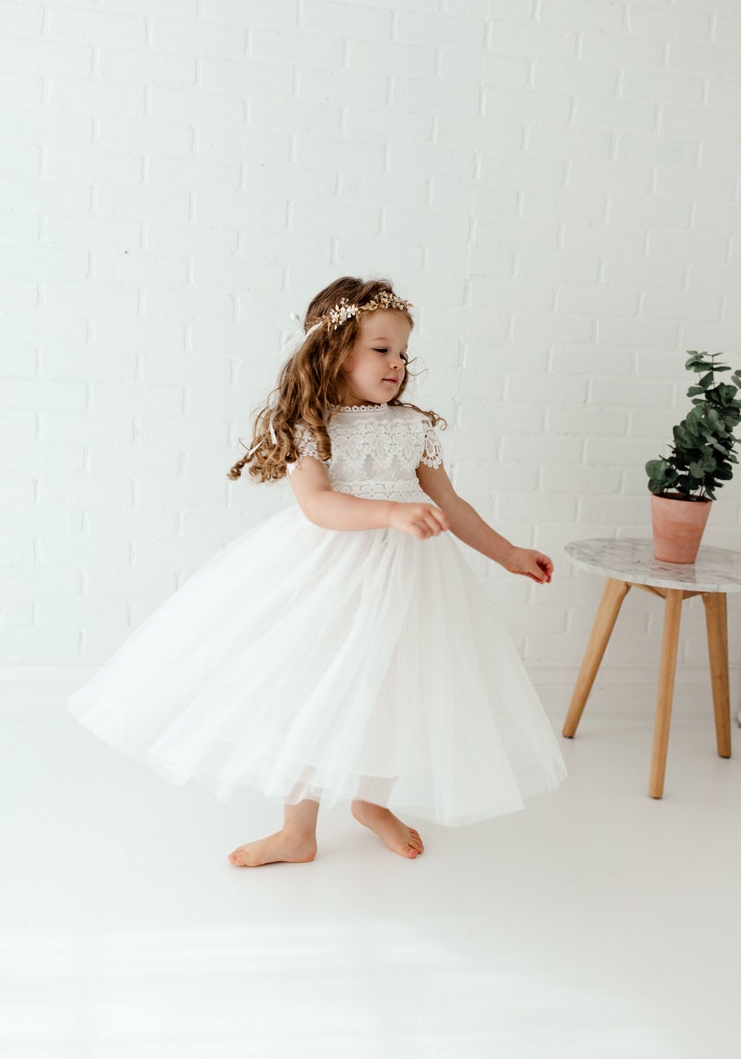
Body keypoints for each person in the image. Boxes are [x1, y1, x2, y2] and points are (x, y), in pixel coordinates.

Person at [67, 276, 566, 868]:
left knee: (395, 687)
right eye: (381, 349)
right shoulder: (315, 424)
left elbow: (452, 507)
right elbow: (318, 505)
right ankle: (297, 832)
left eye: (403, 353)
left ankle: (371, 802)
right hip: (331, 577)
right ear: (335, 352)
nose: (396, 364)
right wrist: (389, 510)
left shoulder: (415, 427)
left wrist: (508, 553)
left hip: (410, 581)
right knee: (315, 690)